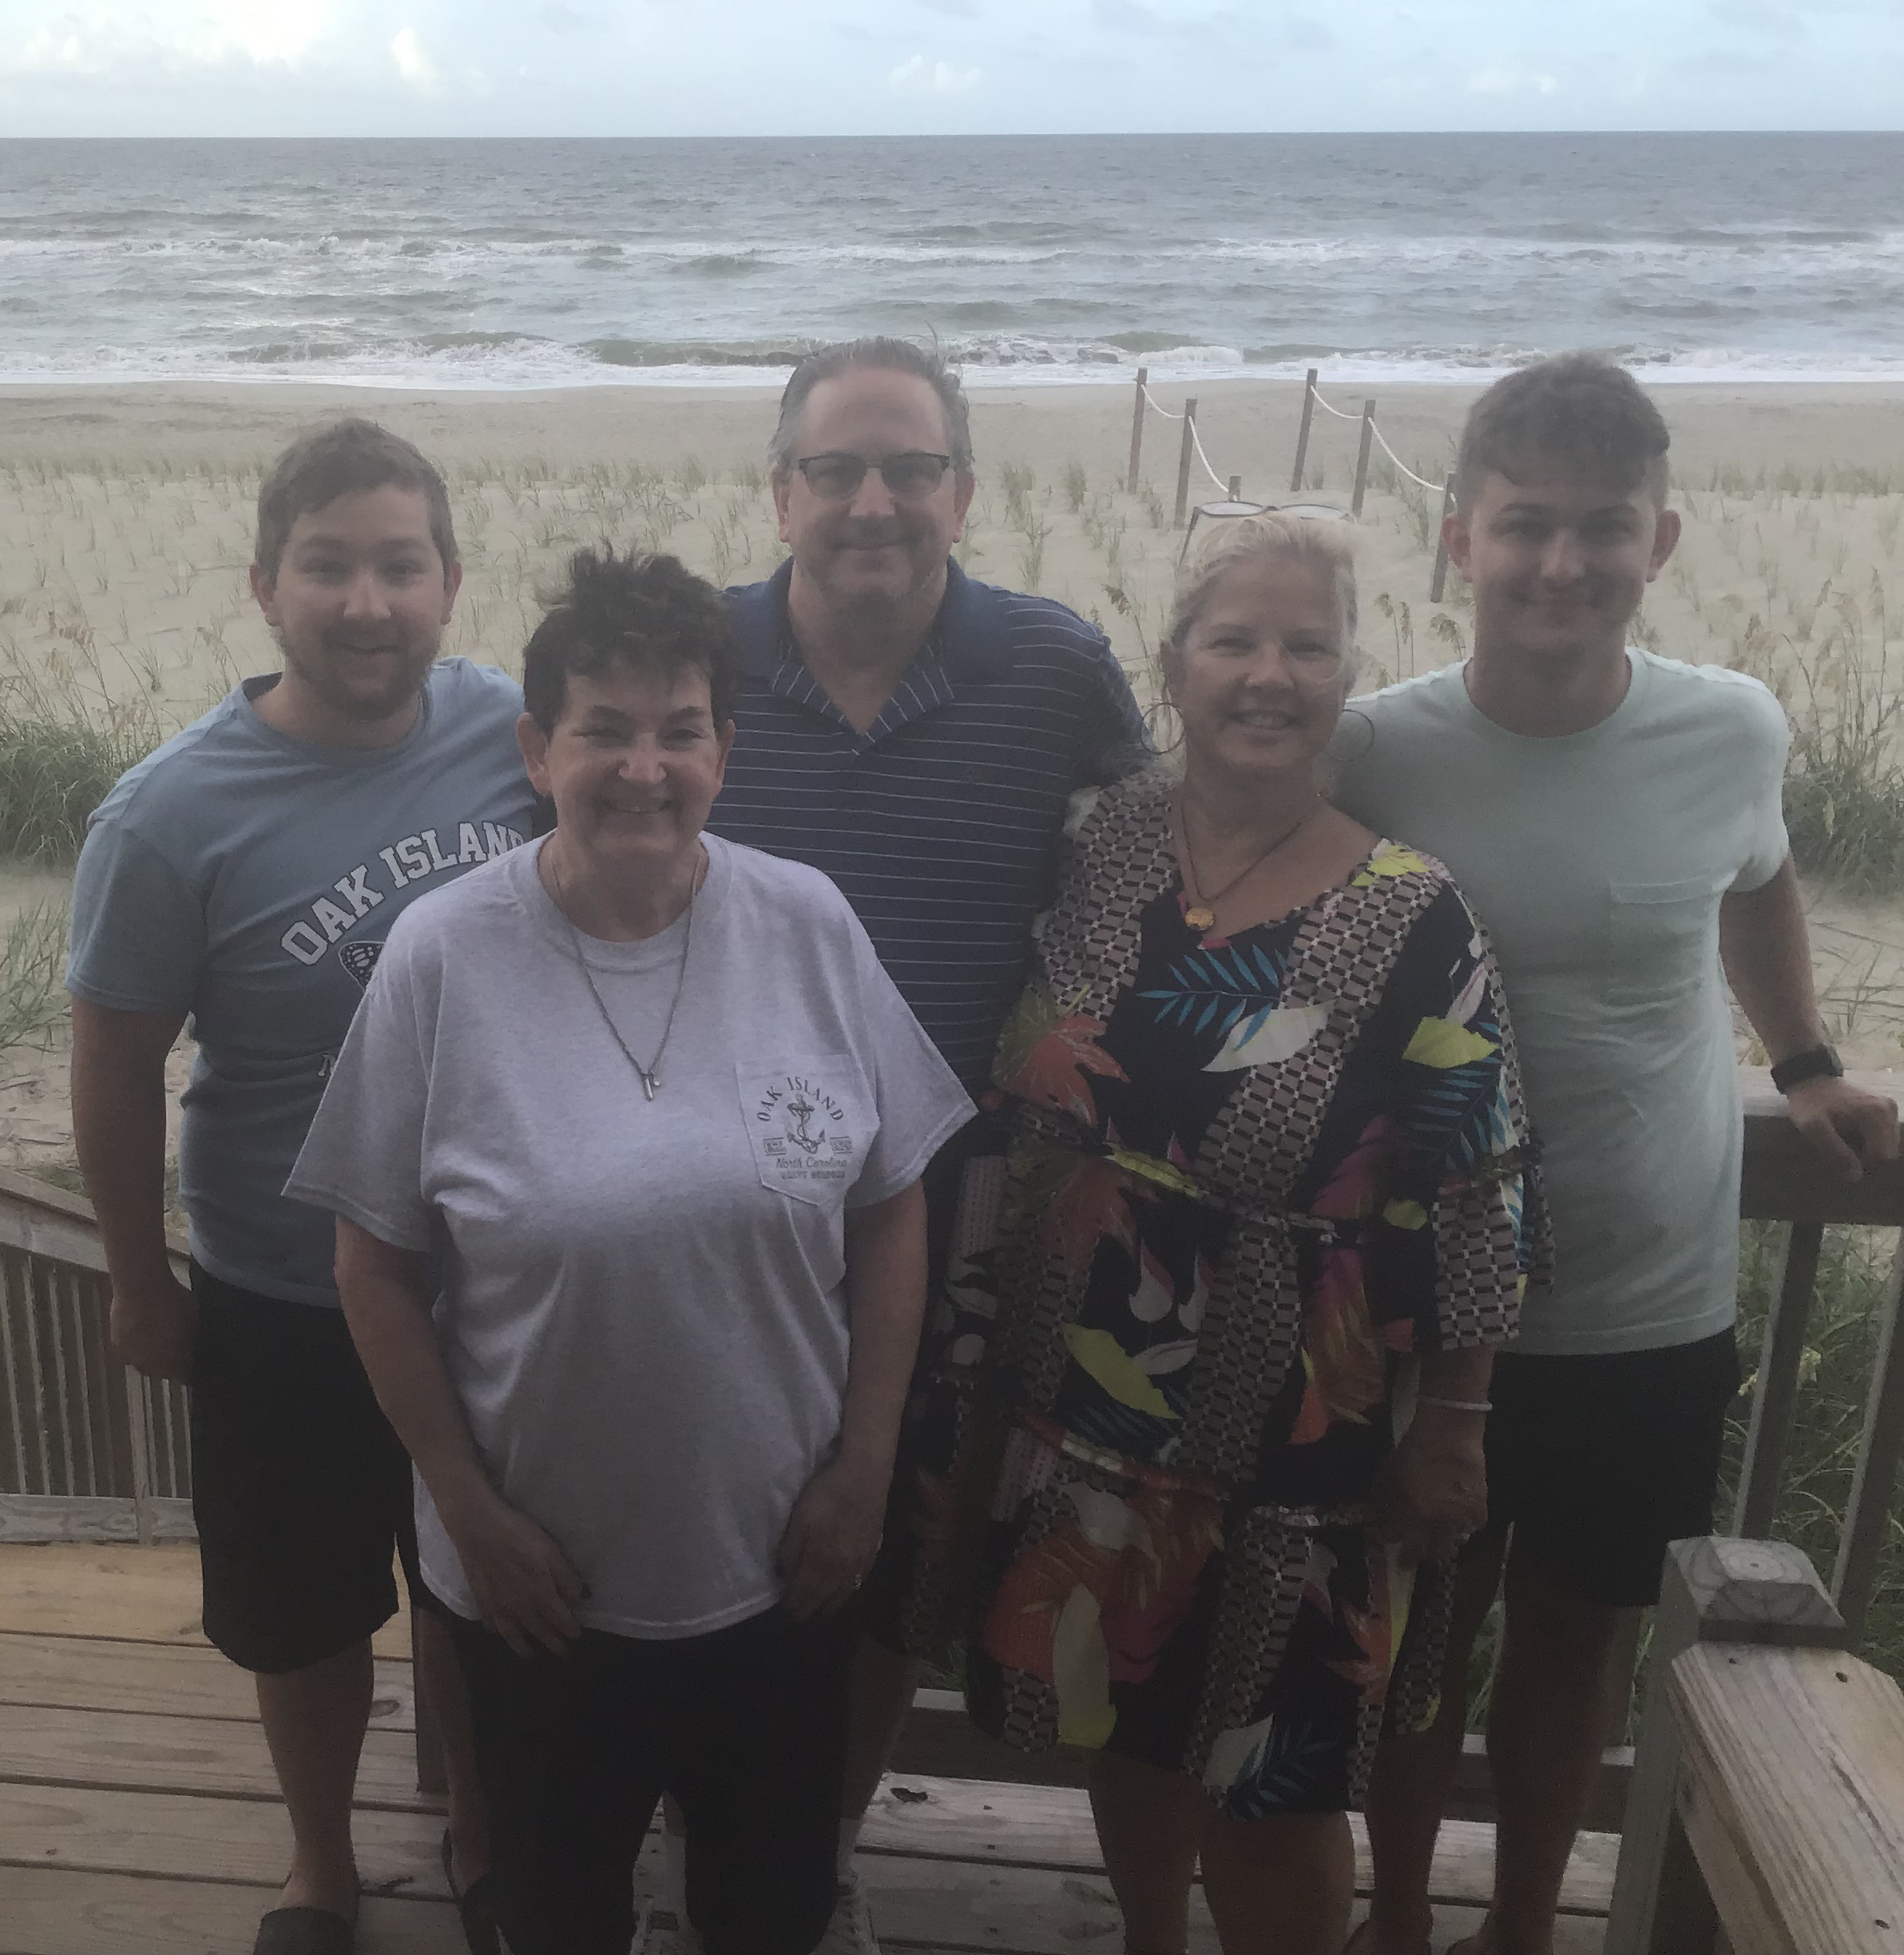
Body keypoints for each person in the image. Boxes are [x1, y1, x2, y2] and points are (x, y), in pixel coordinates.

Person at [286, 549, 975, 1955]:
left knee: (769, 1914)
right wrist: (468, 1513)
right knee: (557, 1916)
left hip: (783, 1567)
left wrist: (864, 1471)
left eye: (681, 730)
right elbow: (375, 1266)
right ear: (538, 750)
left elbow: (893, 1203)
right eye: (605, 729)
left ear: (726, 751)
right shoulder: (443, 954)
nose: (644, 769)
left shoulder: (807, 923)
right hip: (543, 1591)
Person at [1335, 355, 1901, 1955]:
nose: (1562, 562)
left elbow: (1758, 879)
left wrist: (1805, 1061)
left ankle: (1522, 1927)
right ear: (1460, 538)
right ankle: (1395, 1920)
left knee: (1573, 1646)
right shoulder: (1371, 751)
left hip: (1650, 1292)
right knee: (1408, 1641)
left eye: (1603, 527)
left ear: (1661, 541)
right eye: (1526, 524)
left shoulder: (1731, 727)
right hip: (1423, 1296)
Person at [931, 510, 1542, 1955]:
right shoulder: (1098, 845)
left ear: (1347, 679)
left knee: (1275, 1782)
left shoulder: (1413, 911)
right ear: (1174, 664)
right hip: (1085, 1380)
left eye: (1306, 647)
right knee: (1122, 1712)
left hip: (1299, 1427)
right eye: (1235, 642)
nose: (1269, 675)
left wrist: (1458, 1418)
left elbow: (1481, 1183)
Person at [686, 335, 1148, 1950]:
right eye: (837, 470)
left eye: (910, 469)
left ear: (963, 491)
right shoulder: (700, 657)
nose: (873, 503)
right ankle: (697, 1852)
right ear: (781, 494)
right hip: (708, 1201)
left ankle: (815, 1857)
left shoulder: (1055, 667)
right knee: (701, 1527)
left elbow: (1161, 872)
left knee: (885, 1549)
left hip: (953, 1209)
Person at [67, 418, 534, 1955]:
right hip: (280, 1288)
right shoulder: (167, 816)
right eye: (328, 567)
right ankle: (320, 1866)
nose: (366, 602)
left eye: (401, 565)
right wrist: (140, 1279)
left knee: (475, 1590)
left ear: (450, 582)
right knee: (302, 1610)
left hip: (489, 1285)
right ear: (266, 585)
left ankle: (482, 1835)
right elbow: (115, 1064)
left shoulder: (514, 734)